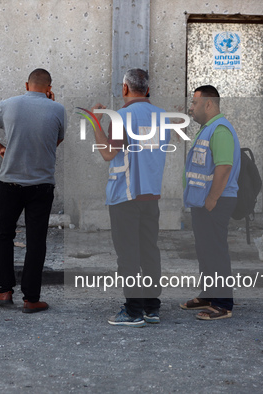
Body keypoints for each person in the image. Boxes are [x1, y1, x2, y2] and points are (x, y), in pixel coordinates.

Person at [0, 68, 65, 313]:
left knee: (4, 235)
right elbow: (56, 140)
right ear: (49, 88)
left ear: (26, 84)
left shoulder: (8, 105)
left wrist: (1, 148)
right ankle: (31, 299)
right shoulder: (58, 109)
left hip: (10, 183)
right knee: (36, 241)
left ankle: (4, 291)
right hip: (41, 185)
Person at [90, 68, 169, 327]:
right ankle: (151, 307)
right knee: (149, 250)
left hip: (125, 195)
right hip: (150, 195)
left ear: (125, 89)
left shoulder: (121, 116)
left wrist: (94, 121)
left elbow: (108, 154)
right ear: (147, 89)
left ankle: (133, 310)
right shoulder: (162, 116)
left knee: (128, 254)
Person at [180, 85, 240, 320]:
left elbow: (224, 167)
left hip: (216, 201)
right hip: (203, 203)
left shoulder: (220, 129)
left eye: (194, 103)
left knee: (216, 252)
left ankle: (223, 304)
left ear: (208, 104)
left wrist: (212, 199)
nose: (191, 107)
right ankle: (208, 295)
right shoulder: (207, 129)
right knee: (205, 251)